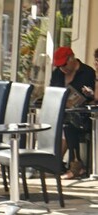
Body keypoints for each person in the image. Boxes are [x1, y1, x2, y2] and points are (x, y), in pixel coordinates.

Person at [50, 46, 95, 179]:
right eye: (59, 66)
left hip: (83, 116)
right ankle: (61, 163)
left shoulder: (87, 72)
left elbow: (91, 96)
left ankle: (72, 163)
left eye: (63, 65)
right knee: (63, 122)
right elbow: (53, 92)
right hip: (61, 114)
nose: (62, 69)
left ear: (72, 58)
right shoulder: (57, 73)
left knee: (67, 124)